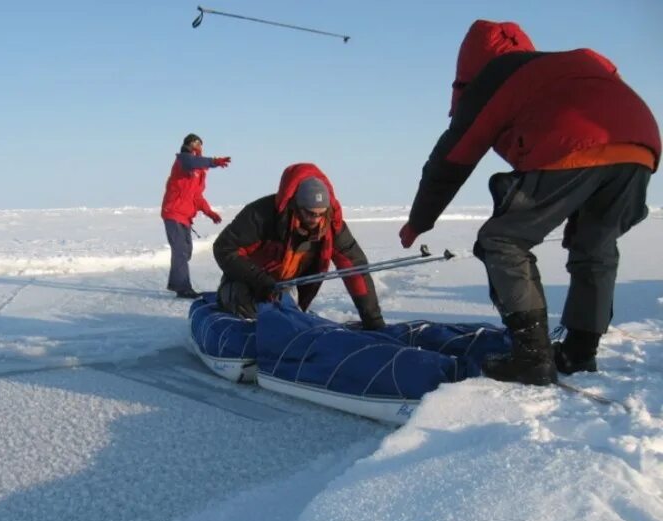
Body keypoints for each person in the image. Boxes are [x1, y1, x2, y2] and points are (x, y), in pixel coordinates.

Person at [399, 20, 660, 386]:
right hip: (640, 145)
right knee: (595, 247)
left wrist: (418, 221)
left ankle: (532, 357)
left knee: (502, 240)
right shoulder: (558, 68)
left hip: (577, 139)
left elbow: (453, 156)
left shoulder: (497, 75)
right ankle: (580, 352)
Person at [213, 162, 385, 330]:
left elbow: (355, 269)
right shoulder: (261, 215)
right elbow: (224, 247)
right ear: (295, 205)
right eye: (309, 213)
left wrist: (373, 321)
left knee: (288, 307)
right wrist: (259, 280)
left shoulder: (331, 225)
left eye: (320, 214)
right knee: (243, 300)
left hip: (285, 290)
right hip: (247, 282)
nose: (316, 219)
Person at [162, 133, 231, 299]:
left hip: (185, 217)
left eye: (200, 143)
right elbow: (191, 161)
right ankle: (182, 287)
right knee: (180, 251)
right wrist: (213, 161)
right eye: (195, 143)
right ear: (189, 144)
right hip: (173, 212)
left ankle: (177, 283)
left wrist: (210, 213)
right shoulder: (183, 161)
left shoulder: (199, 173)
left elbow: (197, 197)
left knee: (186, 251)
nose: (198, 145)